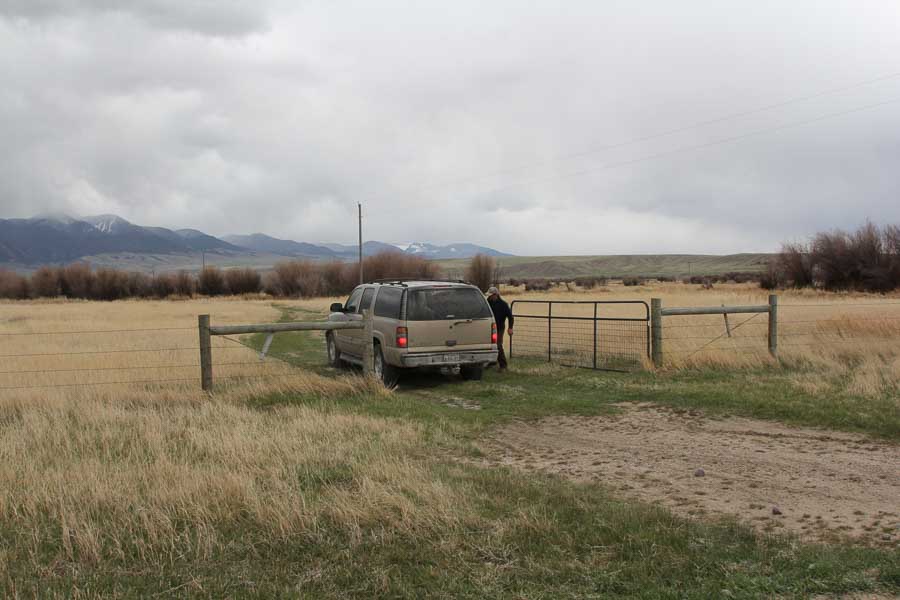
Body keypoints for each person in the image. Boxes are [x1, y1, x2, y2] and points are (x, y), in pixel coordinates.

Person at [486, 286, 514, 371]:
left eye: (491, 295)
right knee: (489, 345)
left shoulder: (503, 305)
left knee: (498, 345)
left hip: (500, 328)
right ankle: (491, 362)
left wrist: (510, 328)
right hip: (490, 328)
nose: (489, 297)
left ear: (496, 295)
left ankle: (503, 365)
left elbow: (510, 317)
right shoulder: (488, 303)